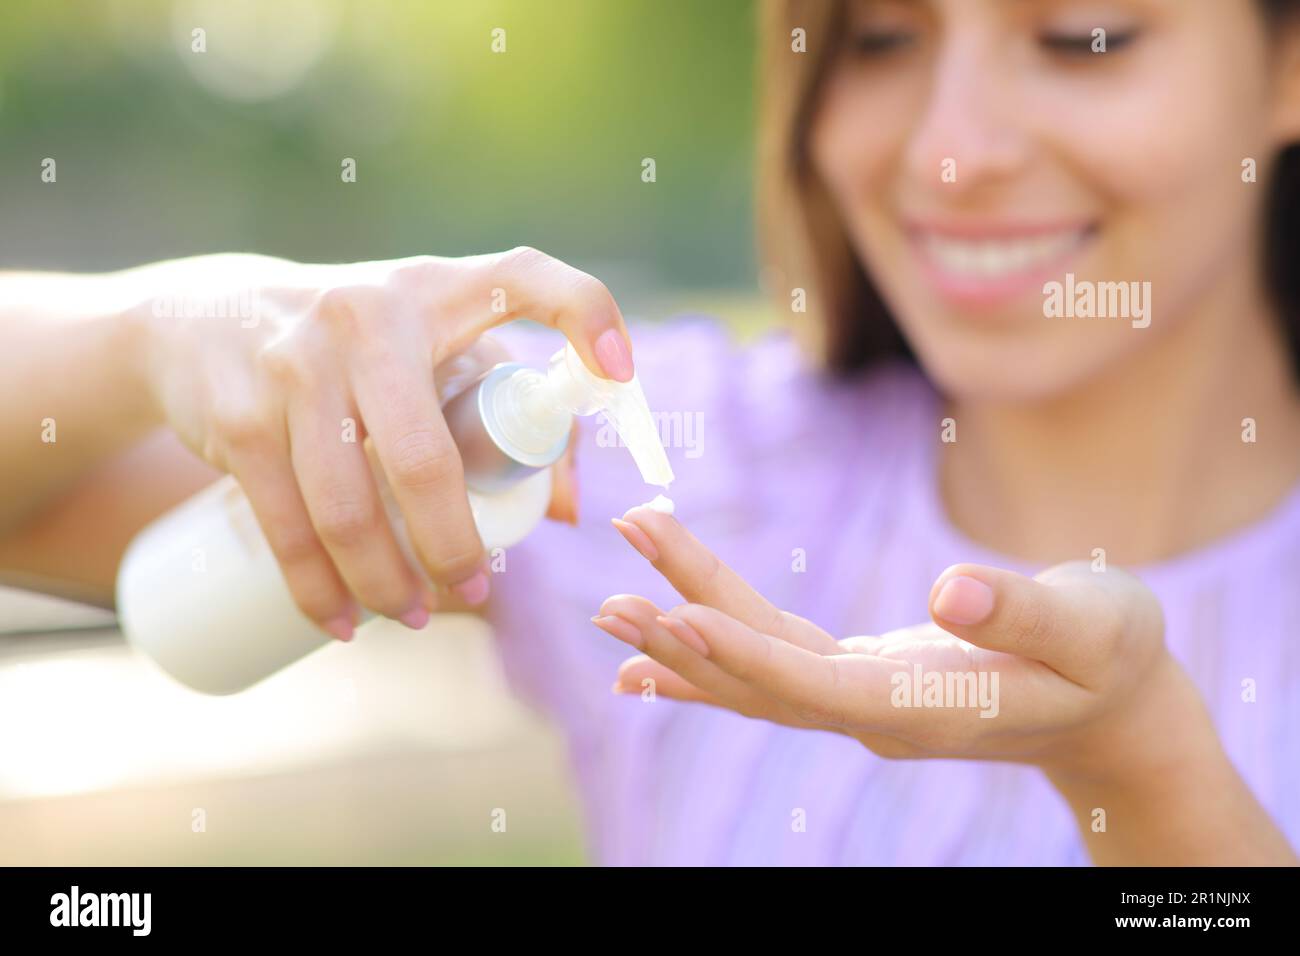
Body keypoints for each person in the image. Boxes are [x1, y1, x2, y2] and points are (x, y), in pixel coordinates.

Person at [2, 0, 1298, 865]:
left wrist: (1147, 771)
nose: (951, 155)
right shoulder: (681, 471)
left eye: (1082, 37)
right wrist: (151, 332)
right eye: (883, 39)